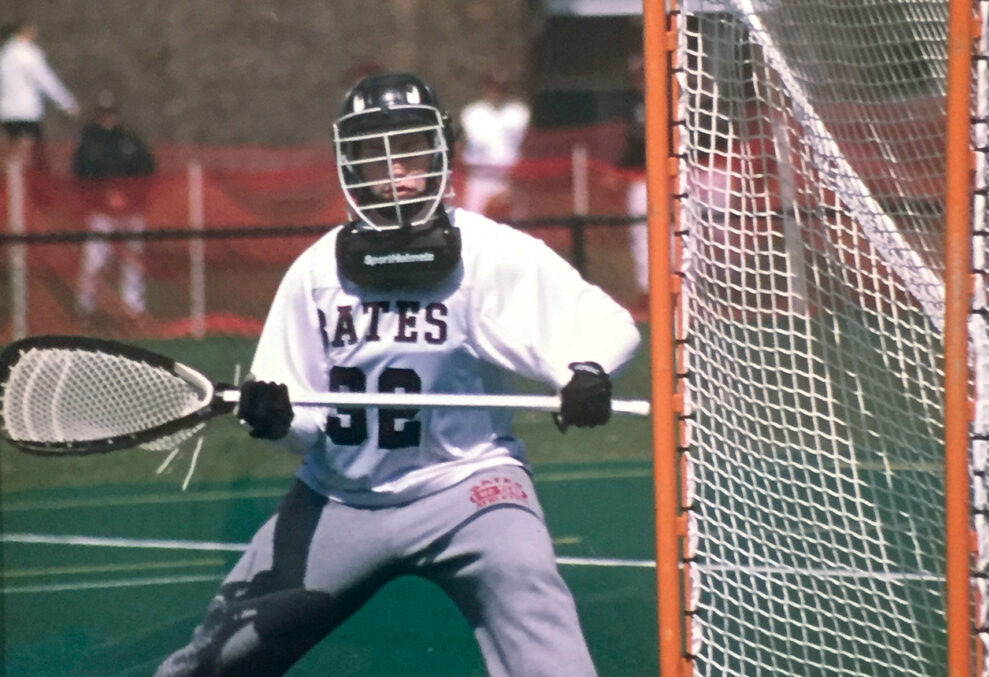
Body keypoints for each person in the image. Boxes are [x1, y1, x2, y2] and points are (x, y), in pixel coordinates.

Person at [155, 72, 640, 677]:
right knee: (214, 658)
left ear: (443, 148)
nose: (396, 168)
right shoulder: (316, 273)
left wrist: (587, 371)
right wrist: (277, 420)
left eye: (410, 146)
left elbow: (607, 322)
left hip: (471, 488)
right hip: (340, 497)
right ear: (350, 164)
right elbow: (302, 426)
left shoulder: (488, 253)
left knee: (542, 629)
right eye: (374, 153)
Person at [72, 91, 155, 320]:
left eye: (111, 113)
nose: (108, 118)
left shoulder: (129, 139)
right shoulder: (89, 141)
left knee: (133, 258)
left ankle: (133, 309)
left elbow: (147, 168)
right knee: (95, 260)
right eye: (103, 113)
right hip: (101, 212)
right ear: (97, 114)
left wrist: (129, 195)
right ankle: (85, 308)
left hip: (131, 210)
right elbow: (82, 174)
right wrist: (103, 195)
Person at [0, 20, 78, 169]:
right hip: (26, 112)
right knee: (34, 157)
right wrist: (67, 103)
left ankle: (15, 183)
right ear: (24, 31)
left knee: (16, 151)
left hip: (7, 114)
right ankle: (26, 187)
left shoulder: (4, 55)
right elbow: (46, 80)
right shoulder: (28, 54)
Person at [458, 68, 530, 218]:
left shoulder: (518, 113)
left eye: (502, 88)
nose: (497, 92)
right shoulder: (472, 113)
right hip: (480, 174)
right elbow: (464, 142)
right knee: (474, 217)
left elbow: (524, 143)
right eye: (493, 87)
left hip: (508, 174)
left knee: (515, 219)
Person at [617, 52, 649, 311]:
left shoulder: (676, 100)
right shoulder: (634, 106)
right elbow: (632, 146)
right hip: (642, 178)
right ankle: (647, 290)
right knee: (642, 234)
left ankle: (689, 292)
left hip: (681, 177)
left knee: (684, 236)